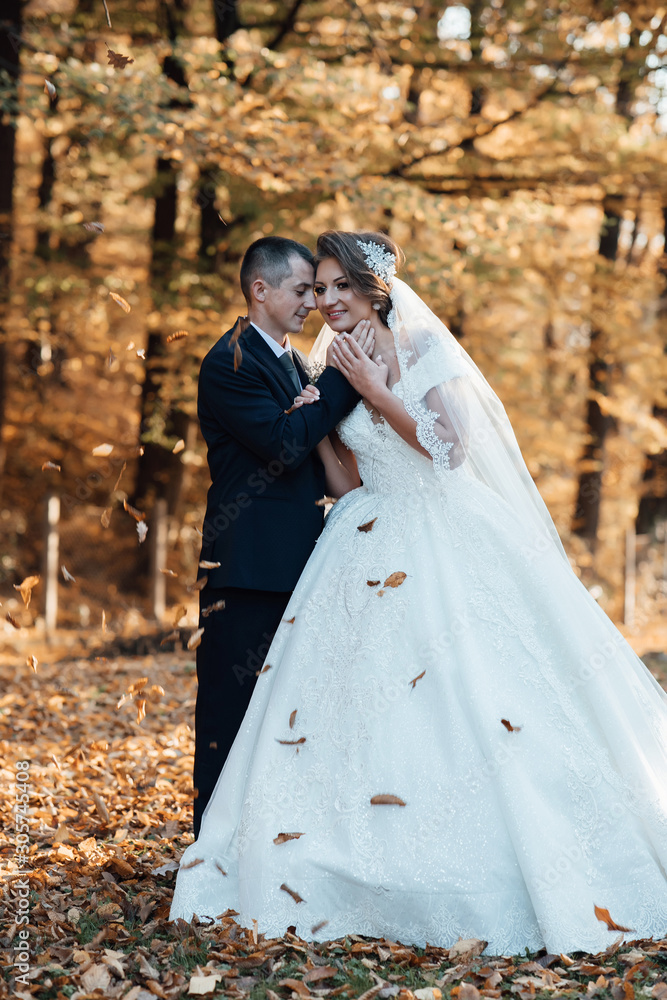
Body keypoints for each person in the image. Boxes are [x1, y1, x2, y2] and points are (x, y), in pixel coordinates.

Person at [172, 230, 667, 955]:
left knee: (480, 691)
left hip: (443, 529)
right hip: (364, 533)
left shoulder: (420, 348)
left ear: (374, 289)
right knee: (355, 704)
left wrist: (368, 389)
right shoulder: (318, 360)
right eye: (318, 288)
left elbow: (450, 447)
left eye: (339, 286)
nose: (327, 300)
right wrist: (320, 428)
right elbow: (345, 479)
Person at [191, 235, 372, 836]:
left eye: (316, 292)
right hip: (246, 567)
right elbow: (287, 443)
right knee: (230, 709)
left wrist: (321, 392)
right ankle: (210, 847)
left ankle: (265, 839)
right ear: (259, 290)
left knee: (283, 711)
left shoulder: (292, 361)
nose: (312, 304)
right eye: (302, 291)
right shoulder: (229, 363)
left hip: (296, 560)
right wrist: (349, 381)